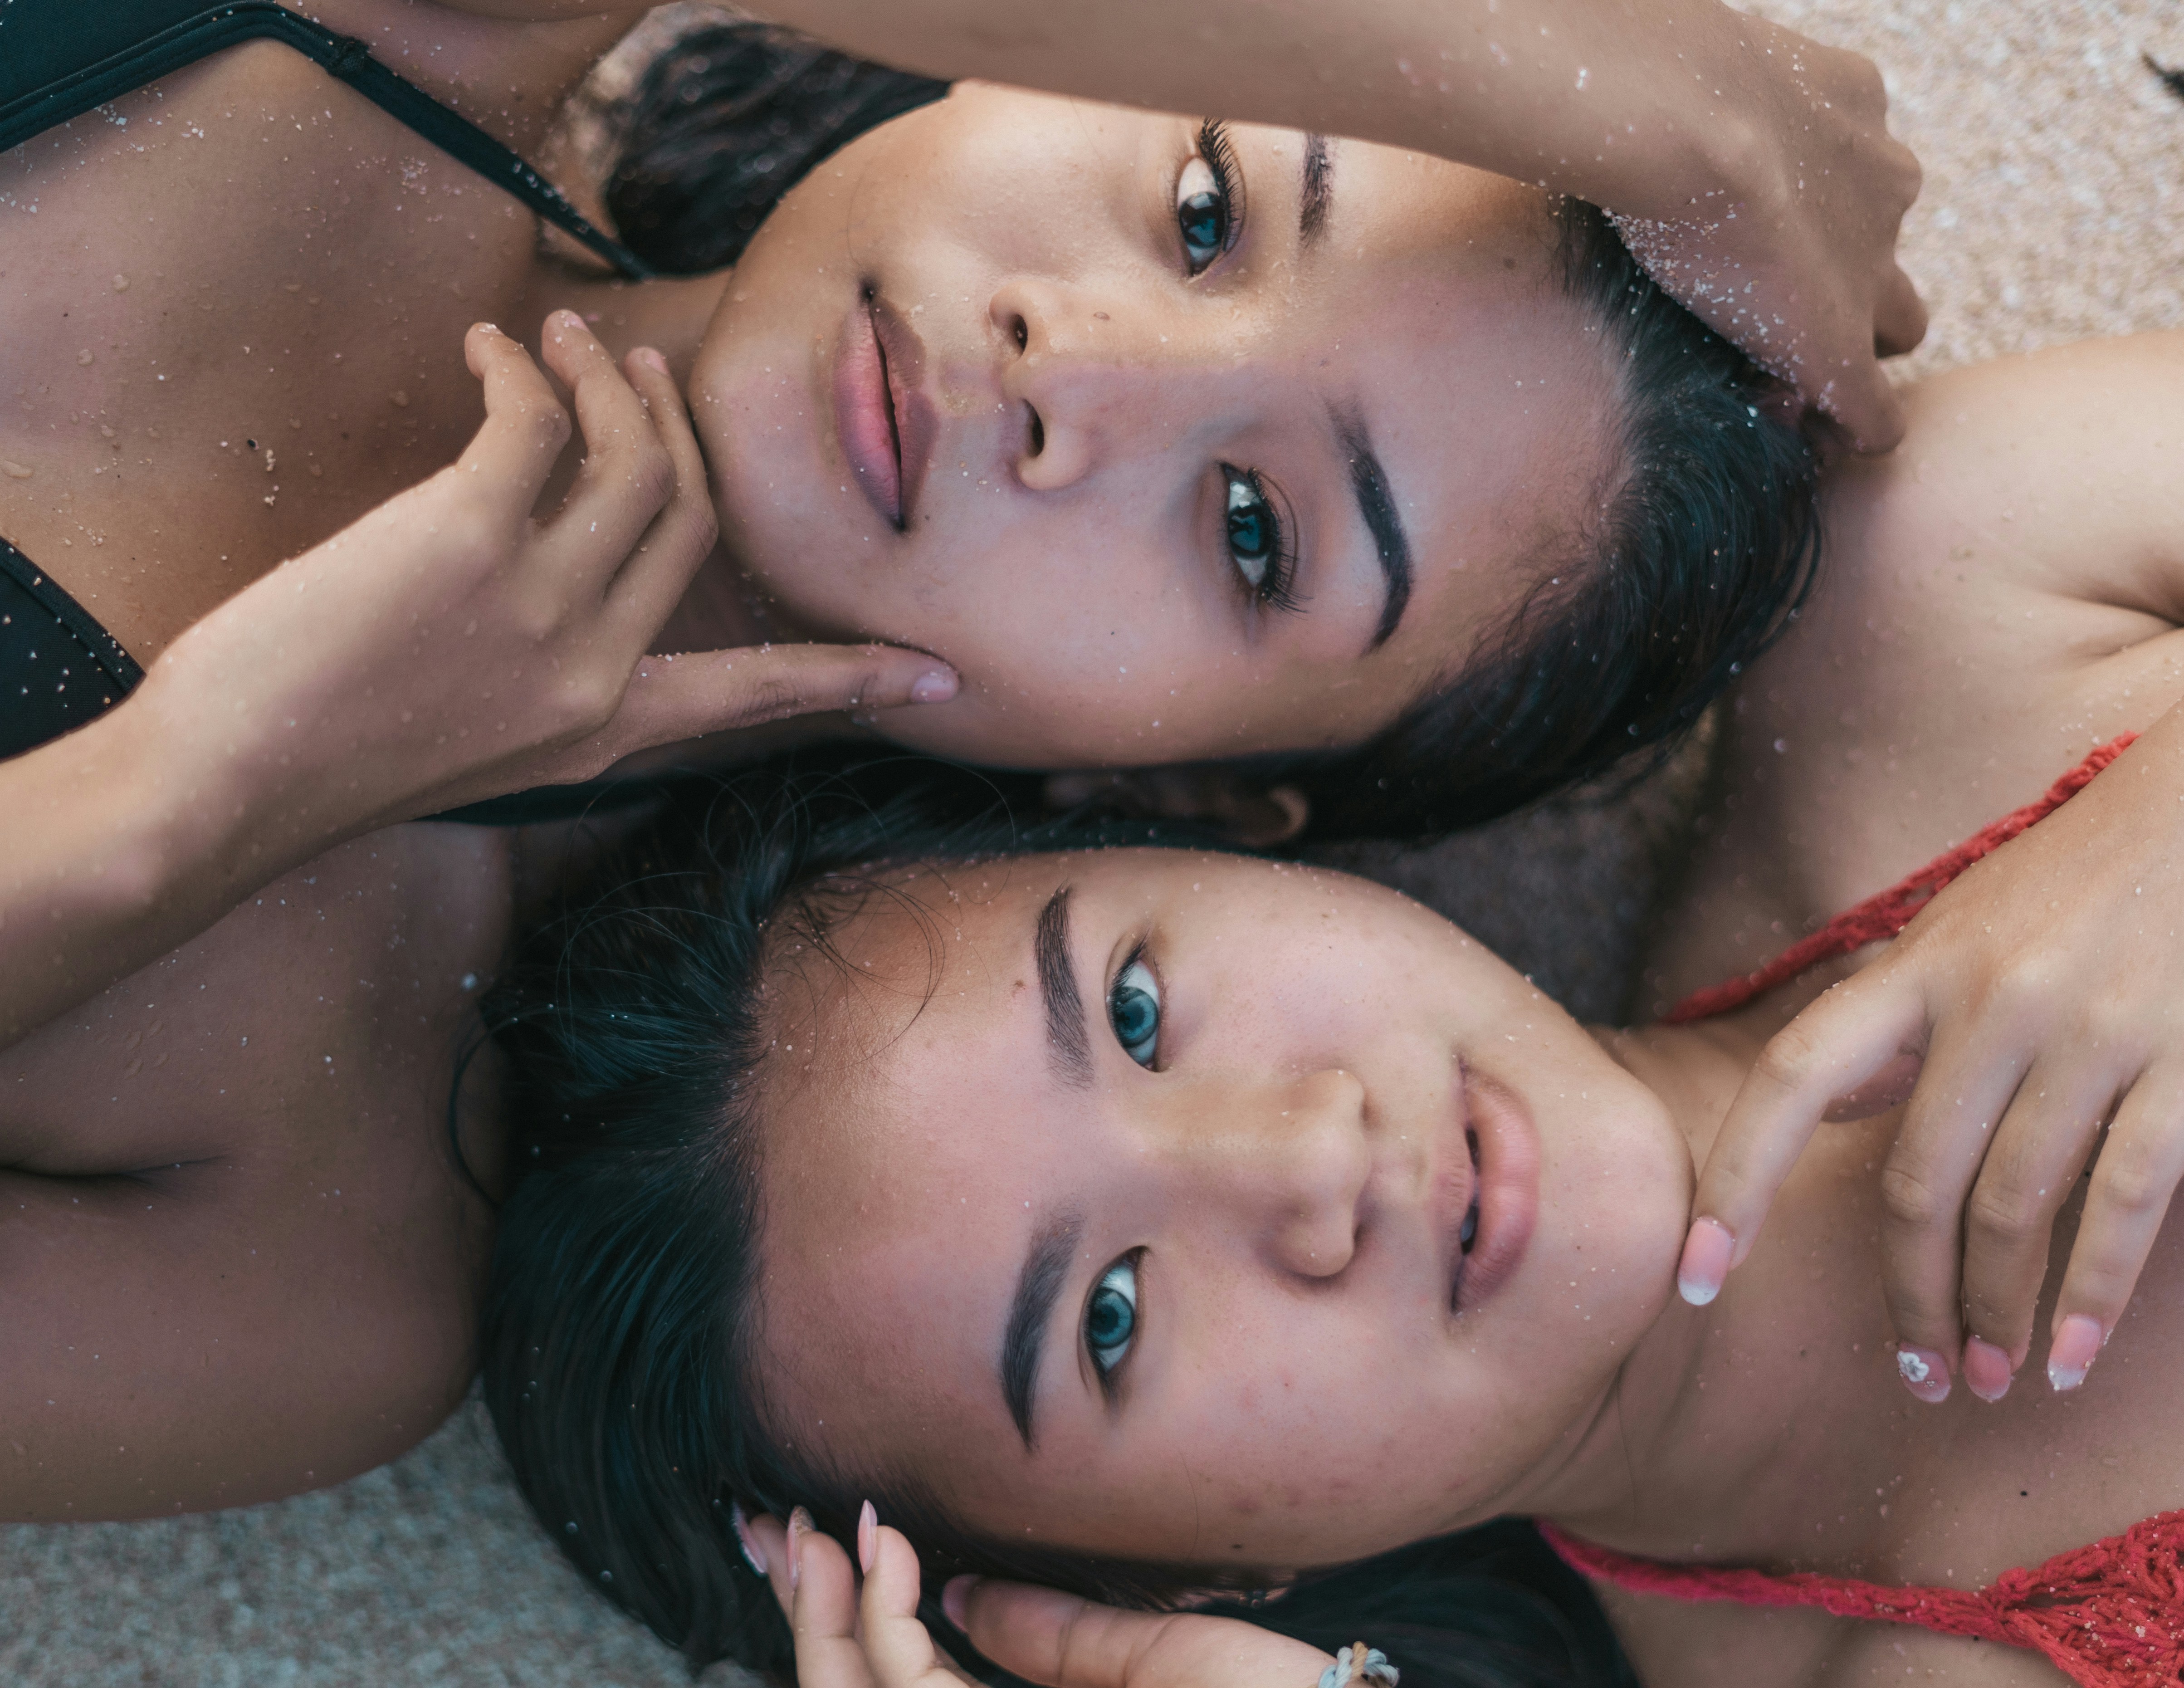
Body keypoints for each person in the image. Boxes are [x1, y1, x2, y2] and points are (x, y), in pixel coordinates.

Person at [479, 330, 2184, 1688]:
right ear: (1182, 1582)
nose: (1307, 1156)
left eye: (1138, 1006)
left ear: (1212, 835)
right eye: (1113, 1322)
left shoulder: (1947, 601)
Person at [0, 0, 1920, 1052]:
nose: (1064, 367)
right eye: (1199, 209)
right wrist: (1655, 98)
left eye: (1254, 530)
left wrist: (213, 793)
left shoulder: (307, 1217)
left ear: (1188, 791)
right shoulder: (389, 25)